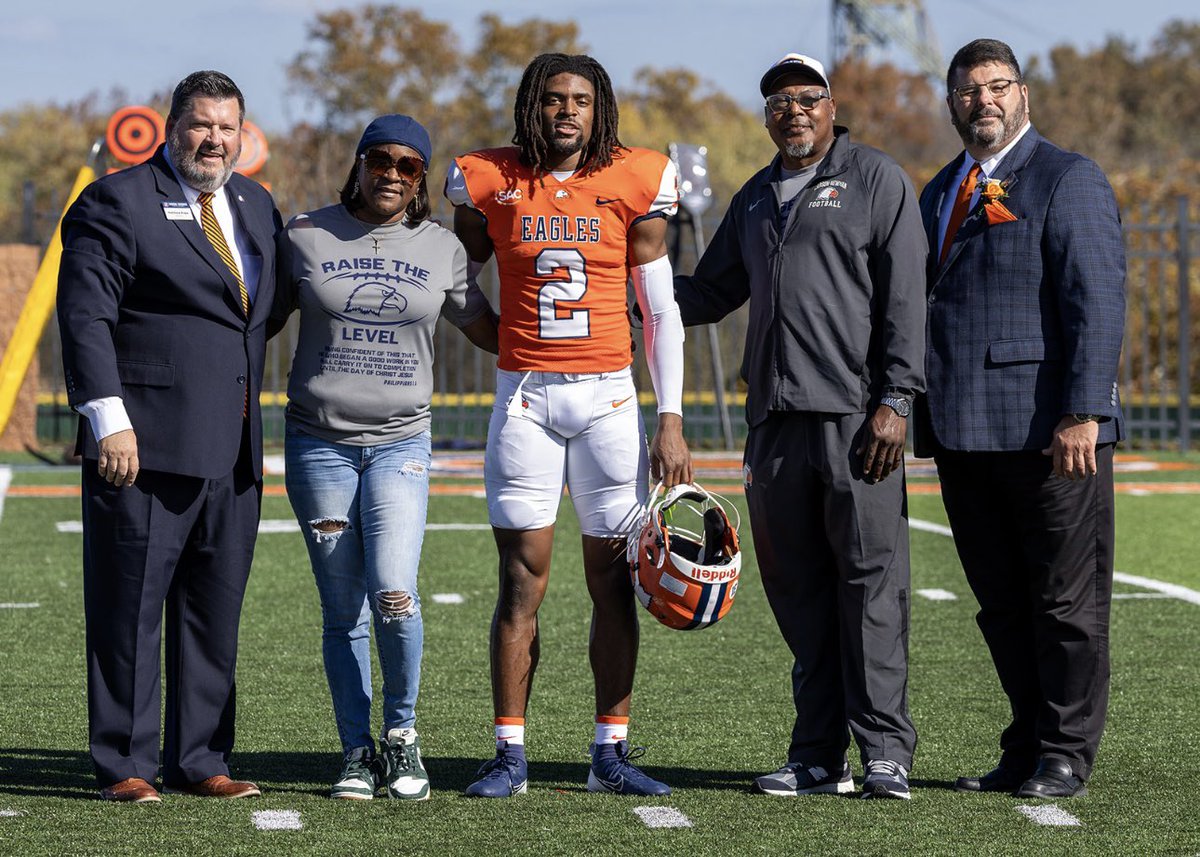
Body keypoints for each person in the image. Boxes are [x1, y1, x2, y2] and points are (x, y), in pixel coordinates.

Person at [672, 53, 926, 800]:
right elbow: (711, 291)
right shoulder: (754, 197)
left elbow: (907, 297)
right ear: (766, 116)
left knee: (871, 585)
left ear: (831, 105)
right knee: (799, 591)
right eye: (780, 101)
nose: (794, 111)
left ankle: (884, 750)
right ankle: (818, 754)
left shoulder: (875, 179)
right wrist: (629, 288)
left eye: (807, 98)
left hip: (856, 419)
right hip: (774, 425)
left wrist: (897, 398)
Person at [444, 52, 692, 798]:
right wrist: (495, 337)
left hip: (610, 398)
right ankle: (509, 753)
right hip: (526, 397)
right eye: (553, 99)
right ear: (532, 104)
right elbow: (455, 278)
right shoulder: (487, 177)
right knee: (521, 579)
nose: (567, 112)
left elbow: (660, 309)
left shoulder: (637, 176)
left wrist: (671, 416)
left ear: (599, 107)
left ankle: (607, 751)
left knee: (612, 580)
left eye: (581, 100)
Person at [57, 71, 281, 803]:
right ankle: (125, 761)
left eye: (227, 127)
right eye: (200, 124)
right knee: (129, 609)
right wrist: (107, 418)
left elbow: (262, 314)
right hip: (142, 448)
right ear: (171, 126)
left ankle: (201, 758)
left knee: (214, 611)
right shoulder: (115, 201)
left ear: (242, 135)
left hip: (236, 448)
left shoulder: (253, 203)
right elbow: (85, 317)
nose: (213, 139)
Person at [915, 38, 1126, 799]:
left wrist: (1083, 412)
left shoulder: (1068, 178)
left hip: (1051, 435)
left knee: (1066, 603)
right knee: (1001, 603)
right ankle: (1027, 740)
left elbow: (1095, 303)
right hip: (963, 436)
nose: (984, 101)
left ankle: (1067, 751)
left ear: (1023, 96)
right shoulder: (939, 191)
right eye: (969, 91)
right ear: (952, 103)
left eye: (998, 86)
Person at [271, 115, 497, 801]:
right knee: (343, 611)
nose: (392, 173)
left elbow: (490, 328)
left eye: (407, 164)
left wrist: (582, 335)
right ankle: (354, 751)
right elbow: (254, 319)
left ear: (421, 176)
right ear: (359, 164)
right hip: (318, 447)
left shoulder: (442, 246)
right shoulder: (305, 233)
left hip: (401, 443)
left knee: (395, 593)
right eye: (380, 160)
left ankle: (402, 736)